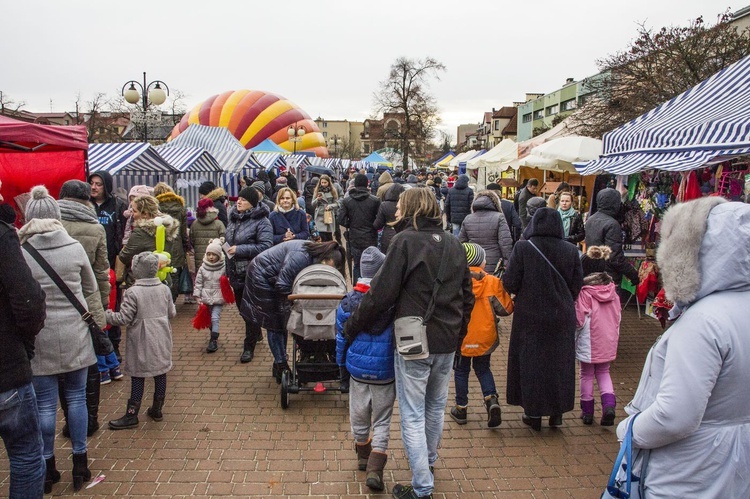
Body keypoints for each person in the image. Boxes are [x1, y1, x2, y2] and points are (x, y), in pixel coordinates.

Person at [342, 187, 474, 499]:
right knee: (435, 407)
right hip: (447, 339)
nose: (395, 212)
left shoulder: (404, 242)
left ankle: (422, 485)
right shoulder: (455, 244)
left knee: (414, 412)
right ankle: (427, 464)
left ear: (412, 209)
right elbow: (467, 296)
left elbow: (380, 294)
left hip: (414, 339)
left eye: (400, 207)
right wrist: (460, 332)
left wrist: (352, 325)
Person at [615, 198, 750, 497]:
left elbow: (674, 416)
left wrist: (628, 431)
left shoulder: (704, 321)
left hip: (688, 472)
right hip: (733, 463)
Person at [20, 185, 100, 492]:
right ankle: (80, 463)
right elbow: (91, 288)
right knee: (77, 398)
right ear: (56, 215)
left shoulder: (22, 252)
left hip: (39, 337)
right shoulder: (74, 247)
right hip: (75, 332)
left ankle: (48, 467)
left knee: (44, 405)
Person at [502, 208, 583, 431]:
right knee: (560, 363)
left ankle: (533, 412)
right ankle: (557, 412)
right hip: (562, 315)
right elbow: (577, 284)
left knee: (531, 362)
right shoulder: (570, 249)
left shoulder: (524, 247)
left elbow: (509, 282)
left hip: (530, 314)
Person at [240, 240, 346, 383]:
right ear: (325, 259)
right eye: (334, 265)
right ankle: (281, 365)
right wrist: (298, 304)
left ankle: (279, 360)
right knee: (275, 322)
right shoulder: (300, 257)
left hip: (277, 277)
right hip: (262, 275)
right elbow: (282, 285)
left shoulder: (314, 258)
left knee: (283, 318)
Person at [0, 180, 47, 498]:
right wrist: (25, 344)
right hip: (6, 371)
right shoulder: (3, 235)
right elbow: (28, 300)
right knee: (27, 457)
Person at [57, 180, 113, 440]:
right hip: (86, 304)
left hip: (55, 304)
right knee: (89, 363)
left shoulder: (51, 225)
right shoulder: (95, 227)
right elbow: (102, 271)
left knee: (59, 366)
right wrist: (103, 303)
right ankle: (89, 418)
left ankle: (70, 420)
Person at [335, 247, 395, 492]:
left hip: (357, 371)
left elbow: (340, 337)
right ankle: (375, 468)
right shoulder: (392, 302)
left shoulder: (347, 302)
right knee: (382, 420)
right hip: (385, 371)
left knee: (359, 414)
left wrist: (341, 365)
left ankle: (362, 455)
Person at [107, 252, 177, 431]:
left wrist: (106, 315)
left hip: (141, 337)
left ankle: (132, 414)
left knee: (138, 375)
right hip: (161, 335)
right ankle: (157, 409)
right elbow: (172, 313)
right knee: (160, 372)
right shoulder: (164, 289)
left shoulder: (133, 292)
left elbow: (123, 318)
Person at [450, 243, 508, 429]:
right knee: (483, 369)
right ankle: (491, 400)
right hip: (485, 335)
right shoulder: (492, 282)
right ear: (480, 262)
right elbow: (505, 308)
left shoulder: (454, 282)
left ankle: (461, 408)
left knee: (461, 371)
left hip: (462, 336)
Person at [225, 186, 273, 364]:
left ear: (252, 203)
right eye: (239, 199)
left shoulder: (262, 222)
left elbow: (266, 246)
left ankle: (248, 346)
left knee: (249, 310)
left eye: (243, 200)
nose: (239, 201)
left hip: (252, 272)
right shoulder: (233, 218)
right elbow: (229, 240)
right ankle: (256, 331)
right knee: (241, 308)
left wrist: (239, 249)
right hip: (234, 271)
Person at [575, 246, 621, 426]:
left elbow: (579, 320)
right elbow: (618, 315)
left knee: (586, 374)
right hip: (607, 339)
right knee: (604, 372)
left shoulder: (585, 293)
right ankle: (609, 406)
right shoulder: (612, 291)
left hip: (589, 340)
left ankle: (587, 412)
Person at [89, 171, 128, 361]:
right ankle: (97, 345)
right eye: (92, 183)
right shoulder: (86, 205)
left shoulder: (117, 205)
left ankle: (114, 346)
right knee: (94, 303)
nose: (94, 187)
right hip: (91, 264)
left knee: (113, 304)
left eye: (99, 184)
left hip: (112, 263)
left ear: (107, 186)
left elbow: (124, 232)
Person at [116, 195, 180, 288]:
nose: (132, 214)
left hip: (140, 281)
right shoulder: (167, 228)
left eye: (134, 211)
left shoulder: (140, 232)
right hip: (163, 279)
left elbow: (124, 256)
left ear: (145, 214)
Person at [584, 188, 639, 286]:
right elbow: (615, 257)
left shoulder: (590, 220)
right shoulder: (612, 224)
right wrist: (632, 274)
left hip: (592, 272)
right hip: (608, 275)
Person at [458, 190, 513, 275]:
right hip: (494, 261)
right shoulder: (499, 217)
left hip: (473, 261)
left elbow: (461, 243)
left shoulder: (468, 218)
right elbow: (505, 242)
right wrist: (507, 262)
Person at [339, 174, 381, 284]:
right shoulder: (375, 200)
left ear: (355, 184)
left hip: (354, 236)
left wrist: (350, 224)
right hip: (370, 236)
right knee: (371, 264)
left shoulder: (347, 201)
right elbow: (379, 219)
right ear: (367, 184)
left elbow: (340, 219)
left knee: (357, 264)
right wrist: (373, 226)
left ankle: (356, 287)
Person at [153, 183, 189, 303]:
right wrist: (185, 247)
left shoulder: (156, 208)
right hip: (177, 245)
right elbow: (183, 231)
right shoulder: (181, 208)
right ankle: (171, 301)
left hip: (160, 244)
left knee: (159, 274)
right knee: (174, 274)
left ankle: (162, 302)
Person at [193, 240, 229, 353]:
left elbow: (228, 281)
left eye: (214, 255)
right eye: (209, 254)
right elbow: (198, 283)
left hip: (218, 297)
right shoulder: (203, 268)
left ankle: (213, 340)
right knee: (210, 319)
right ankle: (213, 331)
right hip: (206, 297)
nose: (211, 257)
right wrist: (197, 296)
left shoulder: (224, 267)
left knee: (215, 317)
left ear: (219, 255)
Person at [189, 198, 226, 288]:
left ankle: (203, 299)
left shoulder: (194, 224)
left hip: (200, 258)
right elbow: (224, 240)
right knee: (217, 281)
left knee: (202, 280)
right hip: (217, 257)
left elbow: (191, 241)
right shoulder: (219, 223)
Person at [373, 182, 405, 254]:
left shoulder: (384, 205)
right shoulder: (405, 204)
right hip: (402, 234)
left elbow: (378, 224)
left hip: (387, 235)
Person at [311, 174, 340, 242]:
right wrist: (317, 199)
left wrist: (330, 206)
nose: (323, 184)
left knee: (329, 236)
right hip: (319, 215)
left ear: (328, 182)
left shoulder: (333, 191)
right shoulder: (317, 190)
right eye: (322, 182)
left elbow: (337, 203)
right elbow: (312, 204)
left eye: (325, 182)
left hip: (328, 215)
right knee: (321, 235)